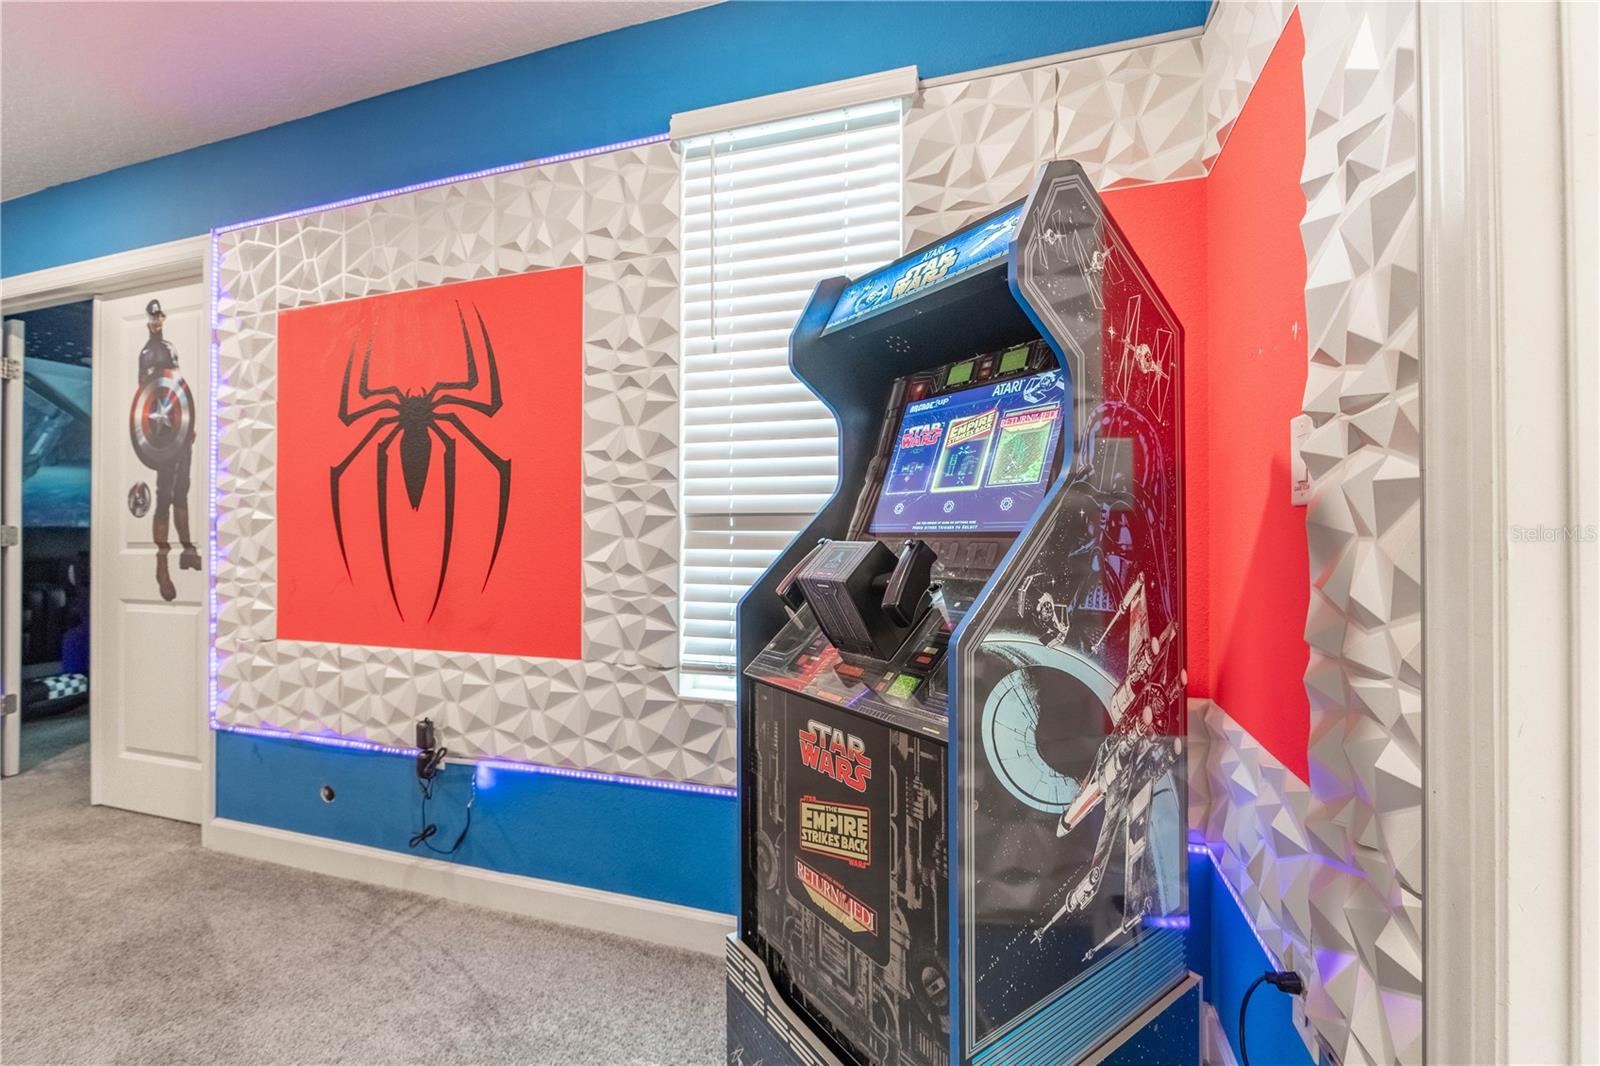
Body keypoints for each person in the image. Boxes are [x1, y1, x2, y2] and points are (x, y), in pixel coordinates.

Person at [137, 299, 199, 601]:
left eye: (160, 315)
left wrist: (188, 423)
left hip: (178, 427)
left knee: (181, 491)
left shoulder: (170, 347)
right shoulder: (146, 353)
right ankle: (162, 565)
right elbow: (145, 394)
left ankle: (187, 549)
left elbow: (179, 387)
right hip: (160, 435)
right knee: (164, 497)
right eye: (154, 316)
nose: (157, 320)